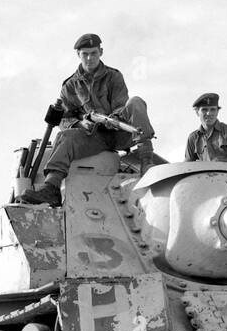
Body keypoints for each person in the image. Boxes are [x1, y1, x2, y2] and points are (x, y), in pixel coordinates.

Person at [21, 33, 156, 204]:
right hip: (94, 137)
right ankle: (52, 187)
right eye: (85, 54)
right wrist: (80, 123)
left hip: (121, 133)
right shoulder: (70, 86)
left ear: (101, 52)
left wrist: (111, 119)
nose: (89, 58)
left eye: (93, 53)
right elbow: (64, 119)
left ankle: (147, 163)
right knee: (65, 137)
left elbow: (121, 105)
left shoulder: (114, 77)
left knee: (136, 102)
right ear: (78, 55)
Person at [184, 93, 227, 165]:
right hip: (204, 176)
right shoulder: (193, 138)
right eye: (204, 110)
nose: (209, 113)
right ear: (197, 112)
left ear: (217, 112)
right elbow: (186, 166)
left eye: (213, 110)